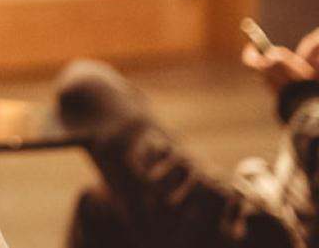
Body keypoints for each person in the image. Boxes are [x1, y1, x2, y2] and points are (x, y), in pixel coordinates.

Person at [54, 28, 319, 247]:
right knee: (101, 208)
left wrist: (300, 96)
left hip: (265, 234)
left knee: (86, 85)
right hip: (265, 202)